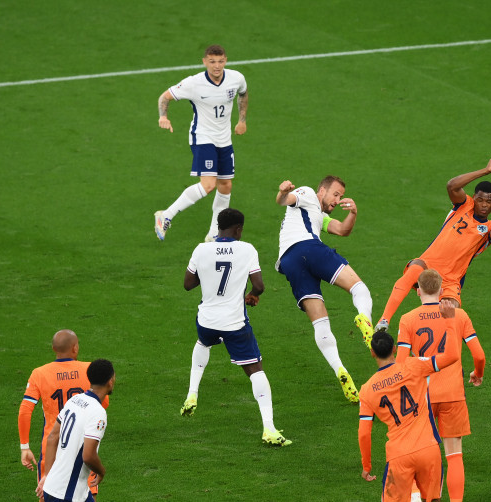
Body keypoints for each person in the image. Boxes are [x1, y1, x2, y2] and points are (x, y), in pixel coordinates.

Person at [180, 208, 290, 446]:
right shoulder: (246, 249)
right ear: (238, 229)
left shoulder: (202, 249)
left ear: (219, 228)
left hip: (206, 321)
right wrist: (250, 295)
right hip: (234, 323)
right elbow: (259, 286)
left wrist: (208, 273)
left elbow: (188, 284)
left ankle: (192, 394)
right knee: (256, 370)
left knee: (203, 342)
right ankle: (269, 429)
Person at [374, 157, 491, 332]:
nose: (484, 205)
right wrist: (485, 171)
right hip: (429, 264)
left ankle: (434, 353)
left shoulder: (489, 228)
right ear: (474, 197)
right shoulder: (464, 205)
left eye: (489, 202)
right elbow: (451, 185)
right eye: (480, 199)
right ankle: (384, 320)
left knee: (450, 316)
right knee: (415, 266)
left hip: (451, 279)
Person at [275, 176, 374, 403]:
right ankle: (364, 320)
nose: (337, 200)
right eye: (335, 194)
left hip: (290, 263)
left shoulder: (317, 215)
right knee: (360, 289)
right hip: (309, 249)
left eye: (340, 196)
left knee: (320, 321)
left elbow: (341, 230)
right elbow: (285, 200)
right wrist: (282, 192)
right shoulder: (308, 193)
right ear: (322, 191)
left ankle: (340, 369)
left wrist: (353, 213)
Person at [396, 269, 485, 502]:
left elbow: (401, 363)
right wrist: (478, 373)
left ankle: (419, 496)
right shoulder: (459, 315)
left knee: (420, 453)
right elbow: (479, 355)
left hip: (421, 396)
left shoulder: (408, 319)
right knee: (454, 455)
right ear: (441, 289)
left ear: (417, 291)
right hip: (453, 394)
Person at [358, 302, 460, 502]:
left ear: (372, 353)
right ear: (394, 349)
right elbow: (452, 356)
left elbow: (364, 433)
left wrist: (367, 466)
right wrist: (449, 320)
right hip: (429, 450)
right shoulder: (414, 366)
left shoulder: (367, 390)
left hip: (399, 457)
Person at [154, 44, 248, 243]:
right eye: (212, 62)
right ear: (205, 61)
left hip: (224, 139)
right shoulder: (193, 83)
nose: (217, 66)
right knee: (208, 185)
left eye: (221, 61)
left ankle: (214, 233)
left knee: (225, 185)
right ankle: (166, 215)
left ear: (226, 60)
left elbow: (243, 93)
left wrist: (242, 120)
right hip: (202, 137)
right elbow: (165, 96)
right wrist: (164, 117)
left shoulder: (236, 78)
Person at [18, 329, 109, 499]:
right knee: (85, 494)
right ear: (75, 348)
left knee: (50, 493)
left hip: (51, 449)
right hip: (80, 447)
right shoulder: (89, 369)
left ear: (53, 348)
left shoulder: (39, 373)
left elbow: (25, 410)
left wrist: (25, 447)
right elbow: (103, 403)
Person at [36, 359, 115, 502]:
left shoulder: (74, 400)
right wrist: (101, 472)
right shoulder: (98, 412)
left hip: (56, 486)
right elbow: (88, 456)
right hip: (67, 494)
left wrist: (47, 476)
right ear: (110, 381)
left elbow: (52, 437)